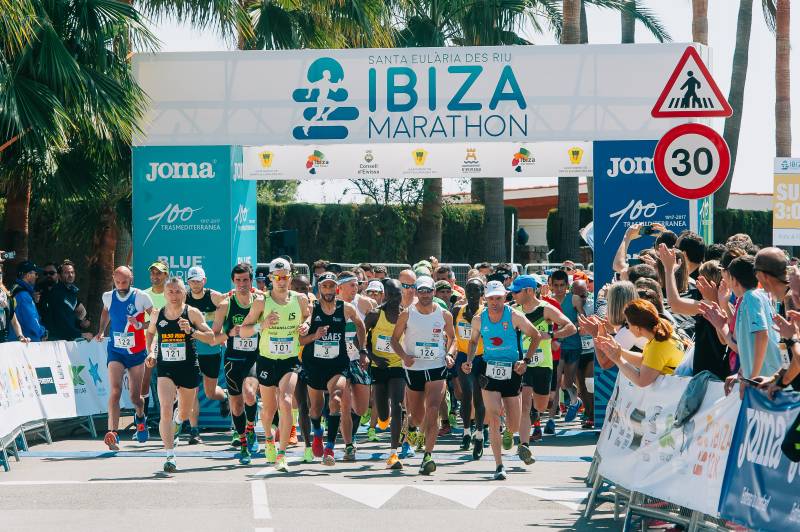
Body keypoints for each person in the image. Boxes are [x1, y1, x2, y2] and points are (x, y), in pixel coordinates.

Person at [462, 280, 542, 480]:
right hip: (490, 370)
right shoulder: (479, 319)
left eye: (498, 298)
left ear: (505, 298)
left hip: (513, 371)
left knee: (514, 423)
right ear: (485, 299)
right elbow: (472, 341)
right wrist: (470, 361)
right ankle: (499, 465)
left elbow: (536, 335)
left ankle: (509, 431)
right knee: (494, 415)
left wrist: (525, 360)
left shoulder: (514, 316)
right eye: (491, 299)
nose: (495, 302)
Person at [240, 258, 310, 472]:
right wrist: (262, 324)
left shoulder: (299, 299)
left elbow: (308, 316)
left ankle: (282, 453)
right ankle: (268, 440)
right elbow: (243, 330)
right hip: (266, 360)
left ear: (290, 277)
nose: (281, 281)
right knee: (269, 409)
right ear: (270, 278)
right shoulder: (262, 301)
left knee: (287, 401)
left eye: (285, 277)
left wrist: (306, 325)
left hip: (289, 360)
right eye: (277, 277)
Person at [145, 277, 215, 472]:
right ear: (164, 294)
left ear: (184, 293)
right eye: (170, 292)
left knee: (184, 412)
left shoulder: (192, 313)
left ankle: (178, 421)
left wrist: (191, 331)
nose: (174, 295)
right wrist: (151, 351)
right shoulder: (157, 314)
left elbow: (211, 338)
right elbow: (150, 334)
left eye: (177, 292)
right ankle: (170, 456)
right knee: (165, 408)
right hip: (166, 368)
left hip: (188, 368)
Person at [390, 275, 456, 475]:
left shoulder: (444, 315)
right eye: (422, 291)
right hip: (414, 369)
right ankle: (410, 427)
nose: (425, 294)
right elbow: (394, 340)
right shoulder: (407, 315)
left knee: (434, 408)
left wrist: (451, 354)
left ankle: (428, 455)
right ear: (416, 292)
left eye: (429, 290)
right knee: (417, 416)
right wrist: (404, 356)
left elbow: (453, 339)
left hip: (437, 366)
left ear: (434, 291)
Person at [299, 272, 366, 467]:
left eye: (331, 286)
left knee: (336, 399)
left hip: (338, 364)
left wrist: (362, 350)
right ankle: (318, 432)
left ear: (336, 288)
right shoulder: (312, 309)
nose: (328, 290)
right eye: (325, 286)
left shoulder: (346, 308)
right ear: (319, 288)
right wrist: (314, 335)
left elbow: (361, 327)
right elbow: (301, 340)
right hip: (314, 365)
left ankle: (329, 447)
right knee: (316, 408)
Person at [702, 255, 786, 395]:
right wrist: (742, 372)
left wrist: (752, 378)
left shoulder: (751, 298)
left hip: (765, 383)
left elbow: (762, 334)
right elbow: (746, 347)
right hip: (765, 380)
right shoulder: (755, 297)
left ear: (734, 280)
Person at [510, 275, 576, 450]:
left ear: (529, 291)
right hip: (523, 364)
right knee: (524, 405)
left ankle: (534, 414)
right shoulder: (514, 311)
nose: (513, 295)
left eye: (516, 291)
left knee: (540, 405)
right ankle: (524, 445)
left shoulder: (546, 309)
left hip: (544, 364)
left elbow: (571, 327)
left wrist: (553, 335)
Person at [95, 266, 153, 449]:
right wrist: (101, 330)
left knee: (135, 397)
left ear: (131, 279)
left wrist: (140, 324)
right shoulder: (108, 296)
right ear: (113, 279)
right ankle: (113, 433)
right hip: (116, 351)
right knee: (115, 390)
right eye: (118, 282)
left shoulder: (141, 297)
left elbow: (157, 319)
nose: (121, 285)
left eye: (125, 282)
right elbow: (105, 312)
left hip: (136, 352)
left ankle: (141, 416)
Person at [211, 263, 262, 464]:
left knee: (250, 394)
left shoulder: (259, 302)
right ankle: (242, 443)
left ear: (251, 281)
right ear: (233, 281)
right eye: (238, 280)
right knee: (237, 405)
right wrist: (228, 333)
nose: (242, 284)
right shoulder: (226, 305)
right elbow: (213, 337)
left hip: (253, 358)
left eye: (246, 280)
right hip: (233, 359)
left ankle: (250, 429)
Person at [363, 279, 407, 468]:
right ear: (384, 295)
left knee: (397, 405)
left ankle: (393, 453)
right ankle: (382, 419)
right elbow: (361, 341)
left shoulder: (407, 315)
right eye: (391, 294)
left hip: (398, 365)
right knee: (382, 411)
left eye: (398, 294)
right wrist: (372, 357)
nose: (395, 299)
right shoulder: (374, 315)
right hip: (378, 366)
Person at [184, 266, 229, 444]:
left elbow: (230, 307)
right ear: (188, 282)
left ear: (204, 281)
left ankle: (224, 396)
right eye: (192, 281)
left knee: (210, 393)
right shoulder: (184, 298)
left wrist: (222, 332)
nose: (195, 284)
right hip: (191, 350)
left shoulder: (214, 296)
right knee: (193, 391)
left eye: (198, 281)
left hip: (211, 349)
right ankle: (194, 431)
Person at [595, 299, 685, 387]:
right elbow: (646, 360)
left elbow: (641, 381)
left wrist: (618, 360)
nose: (627, 328)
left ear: (638, 328)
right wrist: (619, 351)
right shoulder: (662, 329)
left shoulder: (657, 347)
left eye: (627, 325)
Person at [336, 270, 375, 460]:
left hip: (358, 359)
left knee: (360, 408)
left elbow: (370, 325)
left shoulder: (364, 303)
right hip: (339, 362)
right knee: (344, 405)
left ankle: (351, 425)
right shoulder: (330, 304)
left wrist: (364, 351)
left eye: (357, 284)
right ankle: (349, 445)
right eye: (351, 285)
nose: (356, 288)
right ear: (340, 287)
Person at [449, 278, 488, 459]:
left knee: (479, 396)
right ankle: (466, 431)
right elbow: (449, 332)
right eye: (469, 290)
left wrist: (473, 320)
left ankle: (479, 434)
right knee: (466, 394)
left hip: (482, 357)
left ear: (482, 293)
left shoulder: (486, 312)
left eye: (476, 291)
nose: (472, 295)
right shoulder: (457, 310)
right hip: (463, 355)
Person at [548, 270, 584, 423]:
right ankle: (550, 420)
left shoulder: (574, 299)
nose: (559, 288)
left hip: (574, 345)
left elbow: (583, 320)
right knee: (556, 382)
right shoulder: (548, 301)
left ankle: (575, 401)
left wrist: (573, 327)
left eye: (562, 285)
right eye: (556, 285)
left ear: (567, 285)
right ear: (551, 285)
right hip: (556, 346)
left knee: (567, 382)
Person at [138, 260, 168, 426]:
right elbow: (143, 322)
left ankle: (174, 423)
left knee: (173, 381)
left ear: (166, 275)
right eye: (153, 273)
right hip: (147, 342)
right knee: (145, 380)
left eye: (159, 273)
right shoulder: (144, 295)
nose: (155, 276)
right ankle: (143, 421)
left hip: (169, 342)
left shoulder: (172, 294)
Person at [46, 260, 92, 341]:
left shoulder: (72, 292)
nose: (70, 275)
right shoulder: (56, 293)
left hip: (68, 337)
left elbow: (69, 316)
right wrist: (80, 334)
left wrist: (80, 323)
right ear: (59, 276)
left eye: (72, 272)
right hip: (56, 339)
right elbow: (61, 321)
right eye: (66, 273)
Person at [9, 261, 47, 342]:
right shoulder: (23, 295)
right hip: (26, 343)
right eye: (35, 274)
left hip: (15, 341)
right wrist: (43, 332)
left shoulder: (15, 289)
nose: (37, 277)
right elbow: (31, 320)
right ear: (27, 275)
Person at [0, 262, 29, 343]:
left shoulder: (6, 296)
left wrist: (20, 336)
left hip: (3, 343)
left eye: (0, 273)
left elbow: (14, 321)